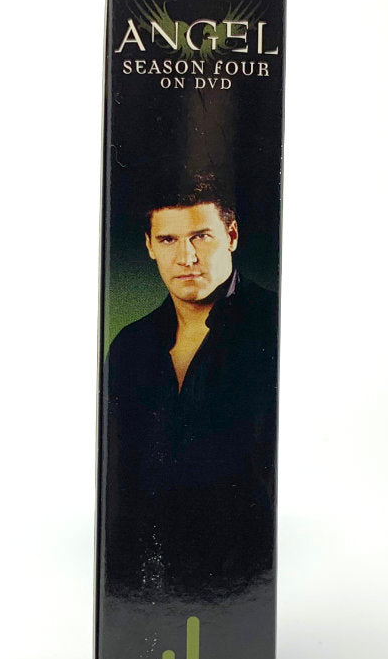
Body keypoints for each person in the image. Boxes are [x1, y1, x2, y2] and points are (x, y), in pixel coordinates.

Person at [102, 174, 278, 599]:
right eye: (168, 240)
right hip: (152, 582)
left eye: (201, 236)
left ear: (231, 236)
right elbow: (120, 484)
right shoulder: (130, 346)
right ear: (149, 246)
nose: (186, 257)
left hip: (250, 582)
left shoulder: (277, 326)